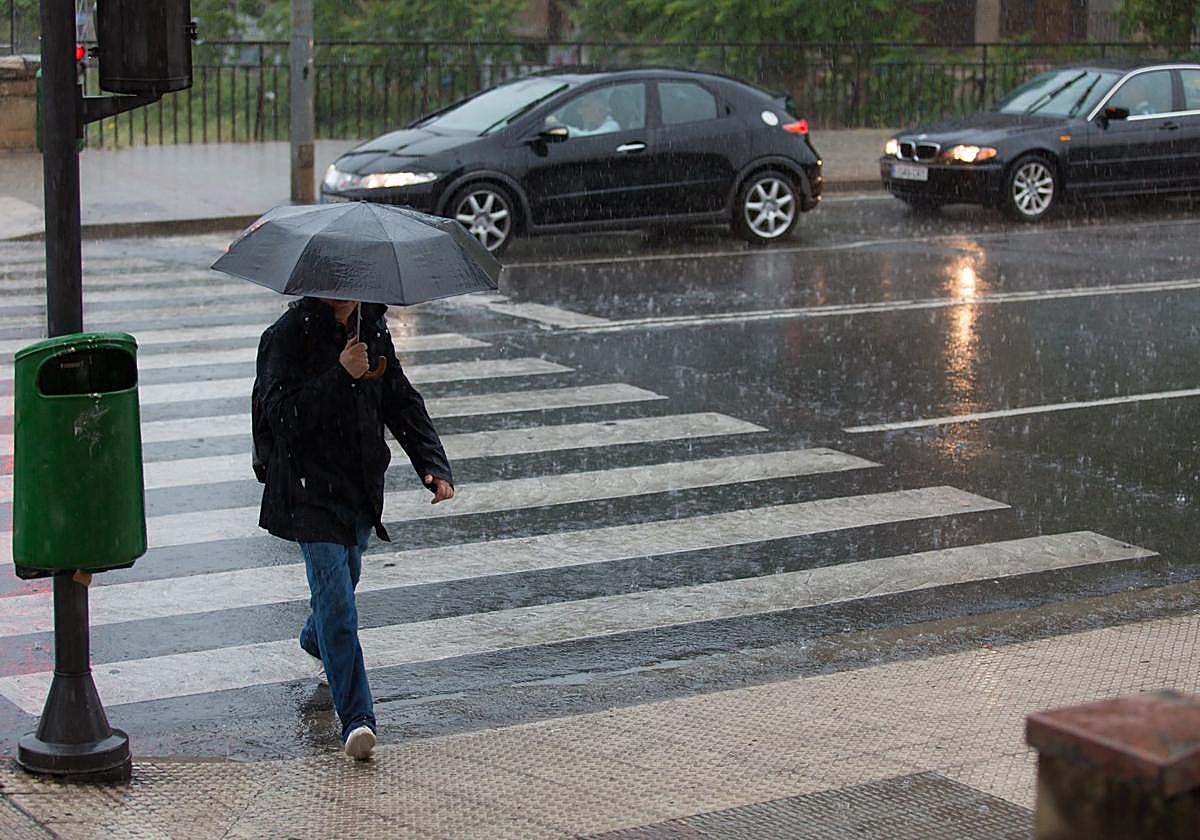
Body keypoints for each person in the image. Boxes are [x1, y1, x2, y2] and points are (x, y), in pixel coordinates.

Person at [253, 296, 454, 760]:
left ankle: (313, 637)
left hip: (359, 488)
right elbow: (283, 418)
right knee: (339, 608)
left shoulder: (373, 327)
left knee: (342, 586)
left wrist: (432, 463)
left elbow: (400, 400)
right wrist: (340, 373)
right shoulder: (286, 337)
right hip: (308, 491)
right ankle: (358, 719)